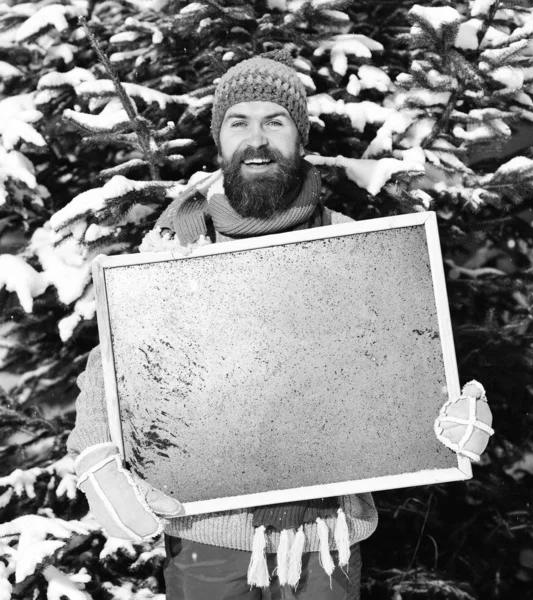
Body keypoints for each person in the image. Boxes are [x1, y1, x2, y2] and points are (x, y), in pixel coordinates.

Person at [67, 50, 493, 600]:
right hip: (205, 531)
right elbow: (114, 364)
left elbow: (403, 358)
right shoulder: (178, 244)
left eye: (275, 121)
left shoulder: (350, 243)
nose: (257, 138)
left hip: (328, 537)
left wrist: (444, 421)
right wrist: (96, 454)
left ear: (300, 136)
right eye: (239, 122)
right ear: (220, 140)